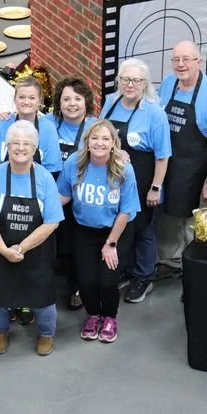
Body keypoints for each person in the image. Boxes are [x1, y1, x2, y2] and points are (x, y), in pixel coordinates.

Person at [0, 120, 64, 356]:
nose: (21, 148)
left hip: (37, 252)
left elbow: (52, 222)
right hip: (0, 250)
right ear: (7, 146)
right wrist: (3, 249)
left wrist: (21, 248)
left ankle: (46, 334)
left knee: (42, 298)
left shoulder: (44, 178)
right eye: (15, 143)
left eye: (27, 144)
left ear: (35, 149)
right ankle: (0, 331)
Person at [0, 75, 61, 325]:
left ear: (40, 101)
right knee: (4, 272)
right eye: (21, 97)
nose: (26, 101)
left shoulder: (47, 128)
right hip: (3, 196)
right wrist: (3, 181)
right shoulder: (2, 124)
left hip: (35, 201)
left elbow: (52, 169)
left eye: (31, 97)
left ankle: (28, 306)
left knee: (33, 268)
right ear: (14, 100)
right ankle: (10, 307)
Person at [57, 119, 140, 343]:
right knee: (85, 281)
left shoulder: (124, 170)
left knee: (106, 281)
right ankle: (93, 315)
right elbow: (63, 195)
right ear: (87, 141)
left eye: (105, 138)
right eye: (95, 138)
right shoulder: (74, 163)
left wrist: (110, 244)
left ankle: (110, 317)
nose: (99, 143)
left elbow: (126, 211)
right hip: (84, 230)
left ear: (114, 143)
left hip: (115, 232)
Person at [101, 58, 171, 303]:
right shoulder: (111, 101)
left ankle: (143, 277)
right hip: (113, 178)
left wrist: (155, 188)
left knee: (143, 228)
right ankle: (126, 269)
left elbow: (163, 156)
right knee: (123, 225)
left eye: (136, 80)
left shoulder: (154, 113)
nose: (130, 85)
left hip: (143, 179)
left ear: (145, 84)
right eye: (125, 79)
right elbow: (101, 133)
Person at [45, 76, 97, 310]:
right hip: (49, 195)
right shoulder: (47, 122)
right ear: (59, 102)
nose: (72, 104)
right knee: (51, 243)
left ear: (86, 101)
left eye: (77, 98)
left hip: (79, 197)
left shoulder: (95, 127)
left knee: (76, 246)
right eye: (66, 99)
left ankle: (76, 288)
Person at [156, 40, 207, 277]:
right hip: (169, 165)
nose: (181, 64)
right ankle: (172, 261)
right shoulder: (168, 84)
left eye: (187, 59)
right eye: (176, 59)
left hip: (195, 169)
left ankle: (193, 268)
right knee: (169, 216)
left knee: (193, 221)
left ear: (200, 62)